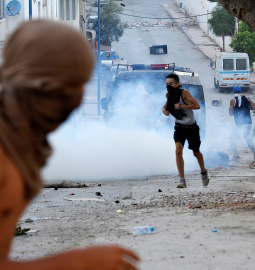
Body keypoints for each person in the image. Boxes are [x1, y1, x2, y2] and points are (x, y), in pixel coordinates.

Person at [0, 20, 139, 270]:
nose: (76, 100)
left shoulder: (20, 143)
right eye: (72, 85)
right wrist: (71, 263)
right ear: (43, 84)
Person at [162, 73, 209, 188]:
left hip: (192, 127)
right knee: (178, 150)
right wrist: (164, 111)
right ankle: (182, 179)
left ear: (177, 84)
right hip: (179, 127)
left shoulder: (184, 93)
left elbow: (197, 106)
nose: (169, 86)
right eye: (167, 84)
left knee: (196, 152)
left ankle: (203, 172)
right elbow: (165, 107)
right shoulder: (169, 95)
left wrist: (182, 107)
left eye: (171, 83)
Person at [229, 86, 255, 161]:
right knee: (247, 138)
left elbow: (231, 113)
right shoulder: (247, 98)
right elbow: (254, 107)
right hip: (248, 122)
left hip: (239, 123)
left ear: (233, 92)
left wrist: (232, 108)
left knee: (231, 139)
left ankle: (236, 156)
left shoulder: (233, 100)